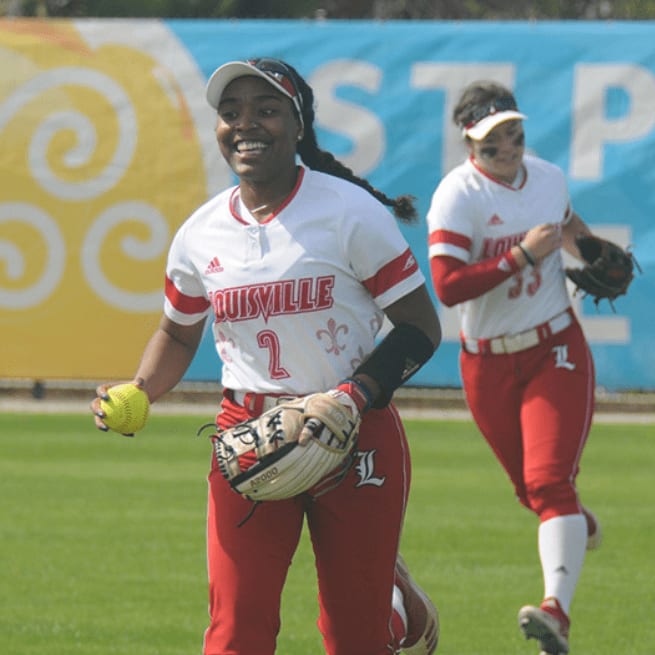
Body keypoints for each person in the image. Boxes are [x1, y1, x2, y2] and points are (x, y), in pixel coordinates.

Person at [91, 57, 442, 655]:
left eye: (266, 110)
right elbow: (178, 334)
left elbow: (420, 328)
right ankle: (386, 590)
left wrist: (352, 395)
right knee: (235, 633)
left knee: (354, 638)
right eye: (231, 113)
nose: (245, 124)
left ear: (298, 124)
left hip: (354, 426)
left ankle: (390, 602)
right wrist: (142, 388)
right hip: (247, 436)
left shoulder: (351, 213)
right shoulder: (201, 233)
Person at [426, 80, 602, 655]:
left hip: (555, 345)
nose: (508, 142)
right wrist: (522, 254)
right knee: (534, 493)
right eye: (493, 135)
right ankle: (575, 522)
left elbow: (569, 226)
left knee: (549, 483)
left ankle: (557, 612)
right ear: (470, 141)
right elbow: (448, 287)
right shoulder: (458, 195)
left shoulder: (547, 177)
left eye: (512, 129)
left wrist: (595, 252)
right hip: (487, 361)